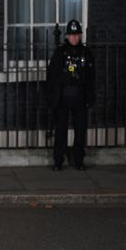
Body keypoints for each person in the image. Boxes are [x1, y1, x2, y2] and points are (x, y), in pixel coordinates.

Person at [46, 19, 95, 171]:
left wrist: (90, 97)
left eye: (76, 34)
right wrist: (53, 98)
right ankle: (58, 161)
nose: (74, 38)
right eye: (71, 35)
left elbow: (91, 77)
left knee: (80, 131)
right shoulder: (60, 53)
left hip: (79, 98)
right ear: (66, 36)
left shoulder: (86, 54)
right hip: (63, 98)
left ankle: (78, 160)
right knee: (61, 131)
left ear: (80, 35)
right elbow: (52, 76)